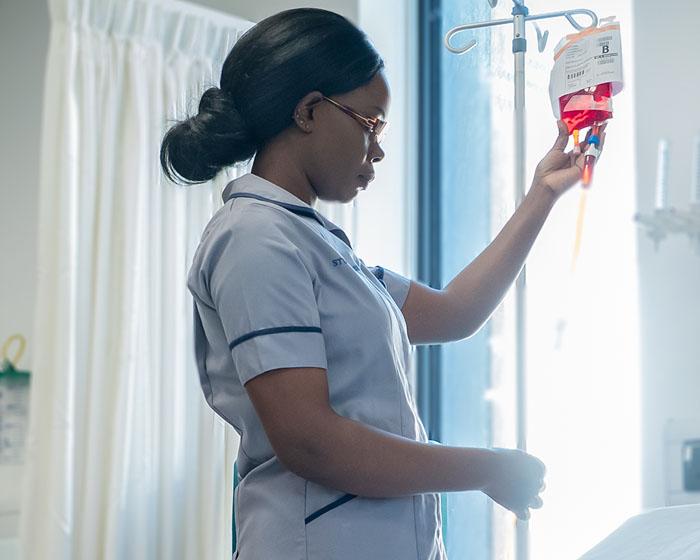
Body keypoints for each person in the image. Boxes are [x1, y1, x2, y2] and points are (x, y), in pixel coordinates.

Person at [160, 8, 603, 560]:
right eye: (371, 124)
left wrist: (543, 192)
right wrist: (484, 467)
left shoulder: (317, 244)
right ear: (308, 111)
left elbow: (453, 315)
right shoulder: (254, 236)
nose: (379, 150)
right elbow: (309, 440)